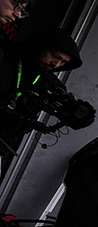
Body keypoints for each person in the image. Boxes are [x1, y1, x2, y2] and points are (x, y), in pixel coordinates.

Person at [0, 27, 87, 176]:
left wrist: (81, 115)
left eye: (63, 62)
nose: (56, 64)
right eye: (55, 56)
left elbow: (70, 112)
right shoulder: (5, 56)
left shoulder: (47, 82)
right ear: (40, 45)